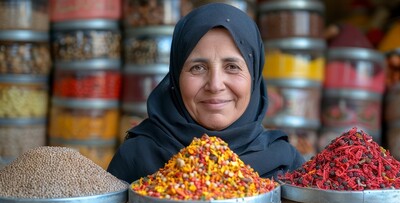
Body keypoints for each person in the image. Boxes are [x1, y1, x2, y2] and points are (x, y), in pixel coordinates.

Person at [107, 2, 306, 183]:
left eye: (232, 67)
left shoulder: (285, 164)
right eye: (198, 68)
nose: (215, 85)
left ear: (254, 77)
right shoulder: (136, 157)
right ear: (176, 77)